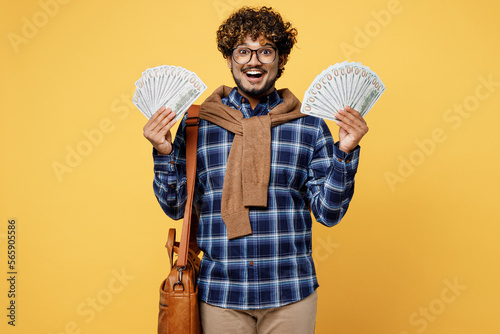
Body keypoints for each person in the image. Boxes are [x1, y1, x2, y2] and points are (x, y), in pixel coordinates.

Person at [143, 6, 368, 334]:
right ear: (230, 59)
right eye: (243, 51)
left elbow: (329, 213)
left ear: (280, 59)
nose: (253, 60)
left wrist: (345, 153)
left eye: (265, 51)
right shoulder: (197, 123)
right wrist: (163, 152)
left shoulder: (309, 126)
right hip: (220, 295)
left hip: (291, 293)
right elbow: (177, 207)